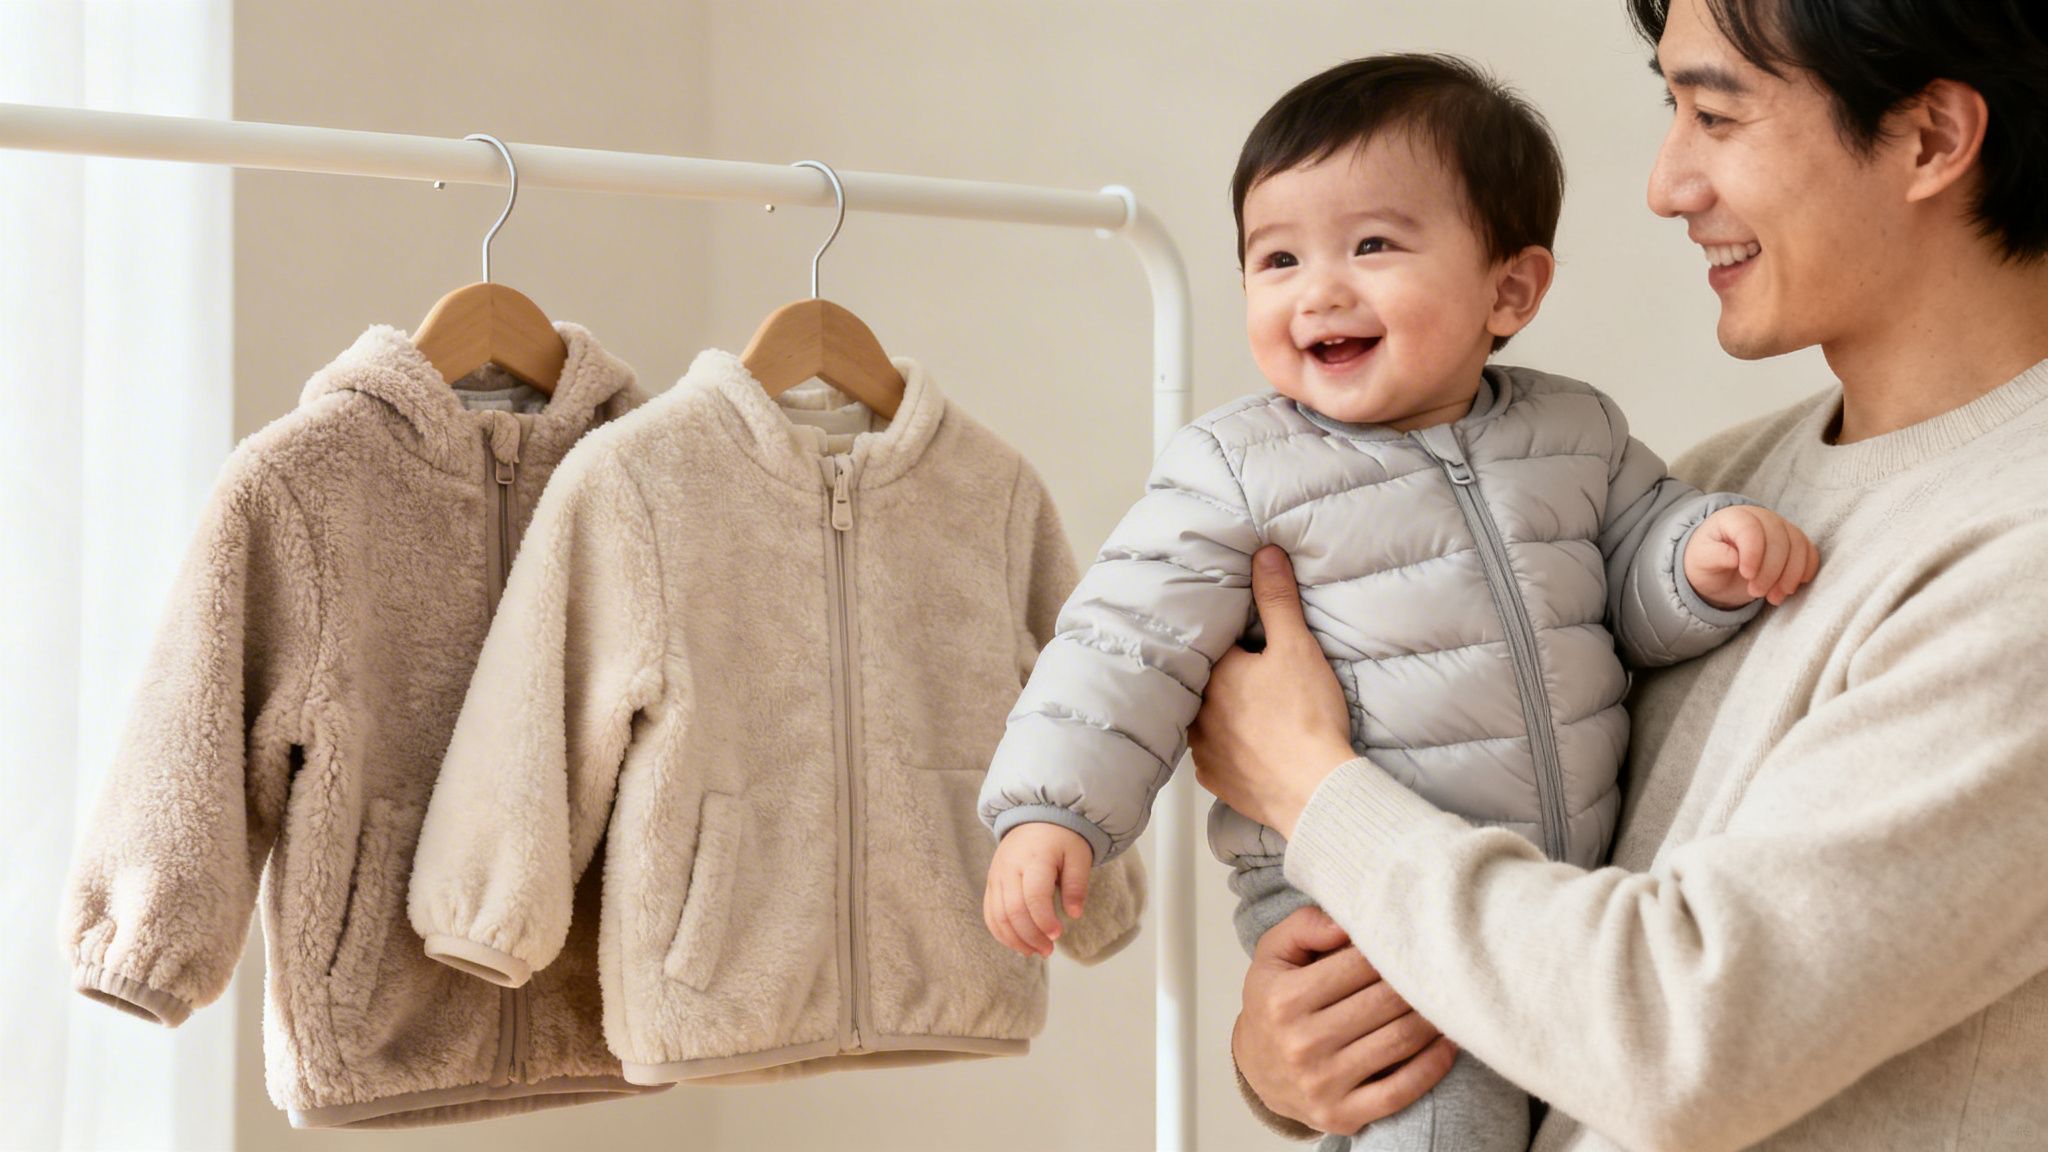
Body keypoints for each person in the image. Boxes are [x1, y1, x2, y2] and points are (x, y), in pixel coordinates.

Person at [1196, 1, 2048, 1149]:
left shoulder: (2019, 553)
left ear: (1930, 139)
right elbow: (1543, 931)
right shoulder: (1714, 497)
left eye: (1711, 114)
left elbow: (1683, 1039)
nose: (1665, 184)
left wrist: (1306, 786)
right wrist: (1294, 1056)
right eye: (1670, 110)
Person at [976, 53, 1817, 1152]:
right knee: (1433, 1122)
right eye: (1275, 258)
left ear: (1507, 290)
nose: (1319, 289)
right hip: (1357, 920)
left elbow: (1632, 587)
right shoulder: (1237, 468)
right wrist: (1050, 809)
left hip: (1556, 905)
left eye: (1371, 246)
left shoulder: (1578, 434)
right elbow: (1122, 641)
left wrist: (1698, 565)